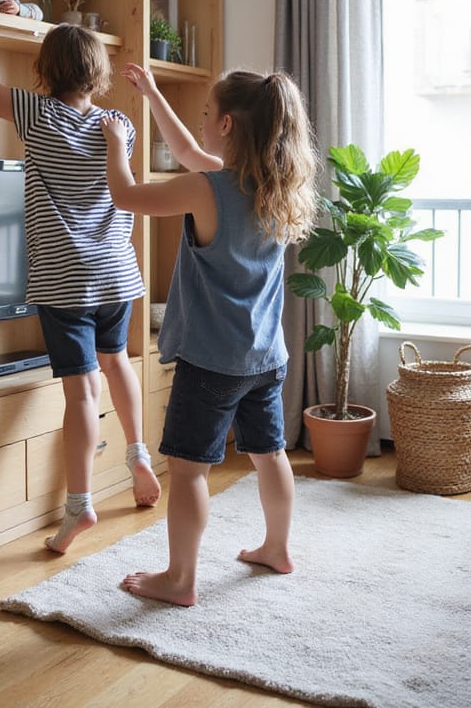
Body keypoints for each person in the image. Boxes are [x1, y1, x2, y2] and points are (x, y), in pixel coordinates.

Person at [0, 0, 161, 552]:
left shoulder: (38, 115)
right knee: (117, 362)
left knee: (81, 393)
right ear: (97, 73)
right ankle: (137, 455)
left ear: (44, 72)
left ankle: (78, 506)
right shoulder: (119, 126)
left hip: (65, 282)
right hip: (117, 275)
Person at [101, 63, 319, 606]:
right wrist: (152, 94)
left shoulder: (207, 189)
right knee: (270, 454)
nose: (199, 123)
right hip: (265, 357)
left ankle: (180, 579)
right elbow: (189, 153)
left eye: (205, 113)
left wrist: (116, 145)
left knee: (189, 471)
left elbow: (126, 196)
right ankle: (277, 548)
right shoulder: (273, 188)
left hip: (211, 363)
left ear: (226, 125)